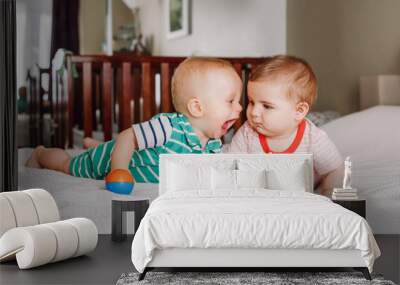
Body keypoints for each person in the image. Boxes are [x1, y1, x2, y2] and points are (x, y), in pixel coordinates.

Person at [26, 57, 243, 183]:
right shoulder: (168, 127)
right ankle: (41, 153)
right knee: (69, 165)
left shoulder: (213, 146)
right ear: (197, 107)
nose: (240, 108)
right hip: (108, 161)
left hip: (133, 157)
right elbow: (128, 137)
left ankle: (93, 143)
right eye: (231, 101)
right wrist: (118, 169)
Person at [224, 55, 343, 196]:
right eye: (251, 102)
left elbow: (334, 170)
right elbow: (230, 165)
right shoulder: (248, 133)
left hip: (300, 196)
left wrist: (328, 194)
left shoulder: (312, 138)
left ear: (298, 111)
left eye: (267, 106)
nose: (254, 112)